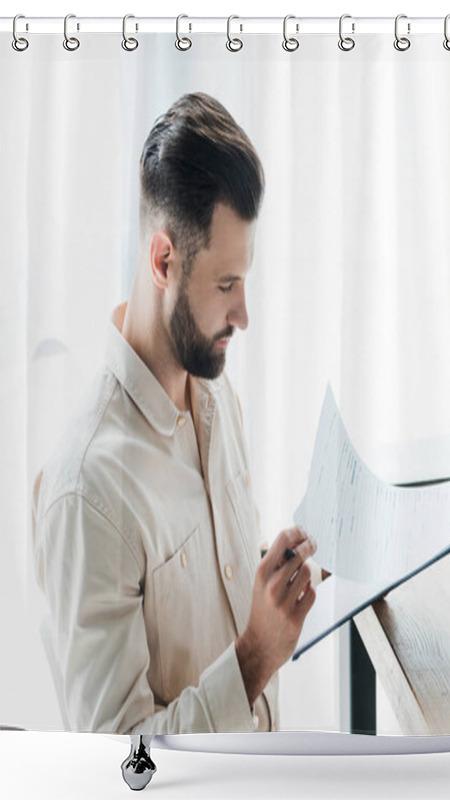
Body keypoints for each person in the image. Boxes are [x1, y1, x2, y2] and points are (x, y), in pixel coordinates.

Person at [31, 92, 319, 734]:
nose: (243, 315)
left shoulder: (216, 400)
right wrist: (254, 660)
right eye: (225, 286)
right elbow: (115, 765)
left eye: (244, 282)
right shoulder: (88, 491)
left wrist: (275, 589)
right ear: (163, 261)